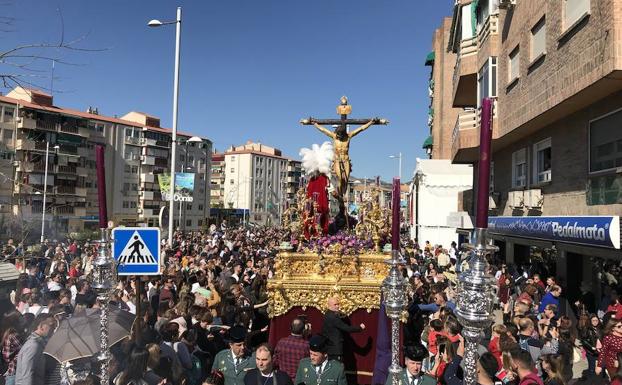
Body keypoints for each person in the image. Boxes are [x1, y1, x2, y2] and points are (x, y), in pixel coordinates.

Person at [14, 316, 57, 385]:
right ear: (41, 326)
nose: (54, 329)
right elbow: (27, 373)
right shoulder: (33, 345)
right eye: (51, 325)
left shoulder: (39, 343)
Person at [320, 297, 364, 361]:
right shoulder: (333, 317)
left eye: (338, 304)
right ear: (329, 305)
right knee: (336, 368)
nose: (338, 306)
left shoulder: (327, 314)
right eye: (335, 304)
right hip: (335, 350)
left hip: (329, 348)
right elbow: (346, 328)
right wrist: (360, 328)